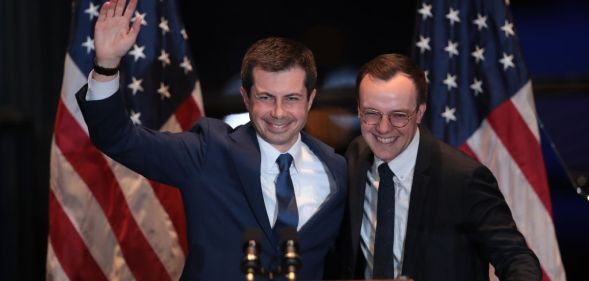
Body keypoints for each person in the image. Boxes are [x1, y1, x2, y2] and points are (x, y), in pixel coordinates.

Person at [76, 0, 346, 280]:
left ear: (310, 99)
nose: (278, 112)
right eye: (266, 97)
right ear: (246, 98)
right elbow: (118, 139)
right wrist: (106, 65)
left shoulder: (337, 170)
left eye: (291, 98)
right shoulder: (209, 151)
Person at [324, 54, 541, 281]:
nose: (383, 128)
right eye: (371, 113)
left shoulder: (463, 178)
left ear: (419, 112)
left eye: (399, 115)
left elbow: (517, 259)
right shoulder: (354, 158)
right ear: (359, 111)